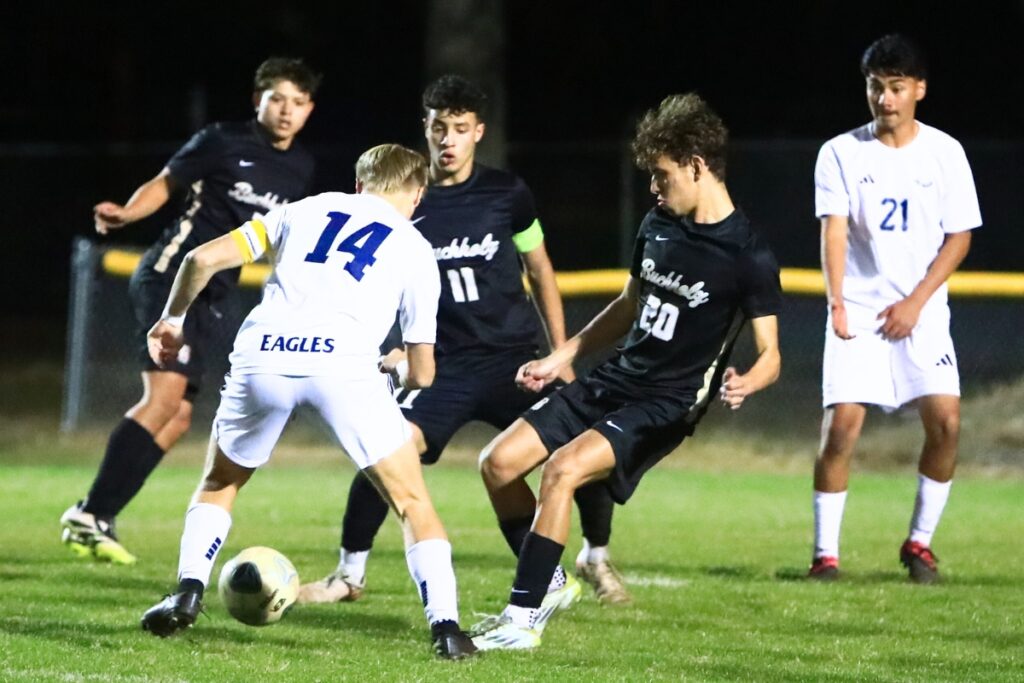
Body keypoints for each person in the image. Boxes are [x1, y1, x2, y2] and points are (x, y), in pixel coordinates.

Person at [299, 74, 629, 610]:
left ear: (478, 132)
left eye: (459, 128)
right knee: (385, 448)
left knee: (583, 442)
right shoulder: (406, 200)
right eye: (438, 128)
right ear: (425, 128)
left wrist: (560, 353)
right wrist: (398, 347)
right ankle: (348, 575)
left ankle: (595, 555)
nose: (447, 140)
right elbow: (378, 279)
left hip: (513, 361)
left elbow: (540, 270)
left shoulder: (507, 194)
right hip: (443, 366)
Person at [469, 93, 783, 650]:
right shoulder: (657, 224)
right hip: (614, 378)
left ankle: (521, 621)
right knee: (497, 463)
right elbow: (628, 305)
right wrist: (562, 355)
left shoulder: (748, 255)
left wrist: (748, 381)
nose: (654, 188)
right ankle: (550, 583)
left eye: (662, 175)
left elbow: (771, 354)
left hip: (665, 403)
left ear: (697, 165)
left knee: (562, 470)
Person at [139, 143, 477, 659]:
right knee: (412, 503)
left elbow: (199, 258)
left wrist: (172, 319)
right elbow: (424, 373)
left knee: (220, 483)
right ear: (417, 194)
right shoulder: (414, 246)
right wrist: (395, 365)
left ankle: (187, 593)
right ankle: (447, 631)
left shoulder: (304, 209)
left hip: (264, 355)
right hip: (344, 367)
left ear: (359, 185)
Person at [60, 57, 320, 565]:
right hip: (170, 276)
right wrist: (127, 212)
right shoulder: (221, 140)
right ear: (258, 100)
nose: (287, 111)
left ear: (309, 109)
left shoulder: (301, 169)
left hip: (215, 296)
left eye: (298, 102)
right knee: (163, 399)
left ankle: (98, 514)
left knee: (178, 417)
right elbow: (165, 182)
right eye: (277, 99)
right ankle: (91, 512)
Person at [808, 34, 980, 583]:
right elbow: (834, 231)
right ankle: (825, 557)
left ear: (919, 90)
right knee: (842, 429)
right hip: (859, 308)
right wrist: (837, 302)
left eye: (897, 87)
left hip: (921, 311)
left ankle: (919, 544)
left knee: (947, 423)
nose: (885, 98)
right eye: (876, 87)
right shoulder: (840, 152)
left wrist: (915, 302)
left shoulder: (946, 153)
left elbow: (959, 237)